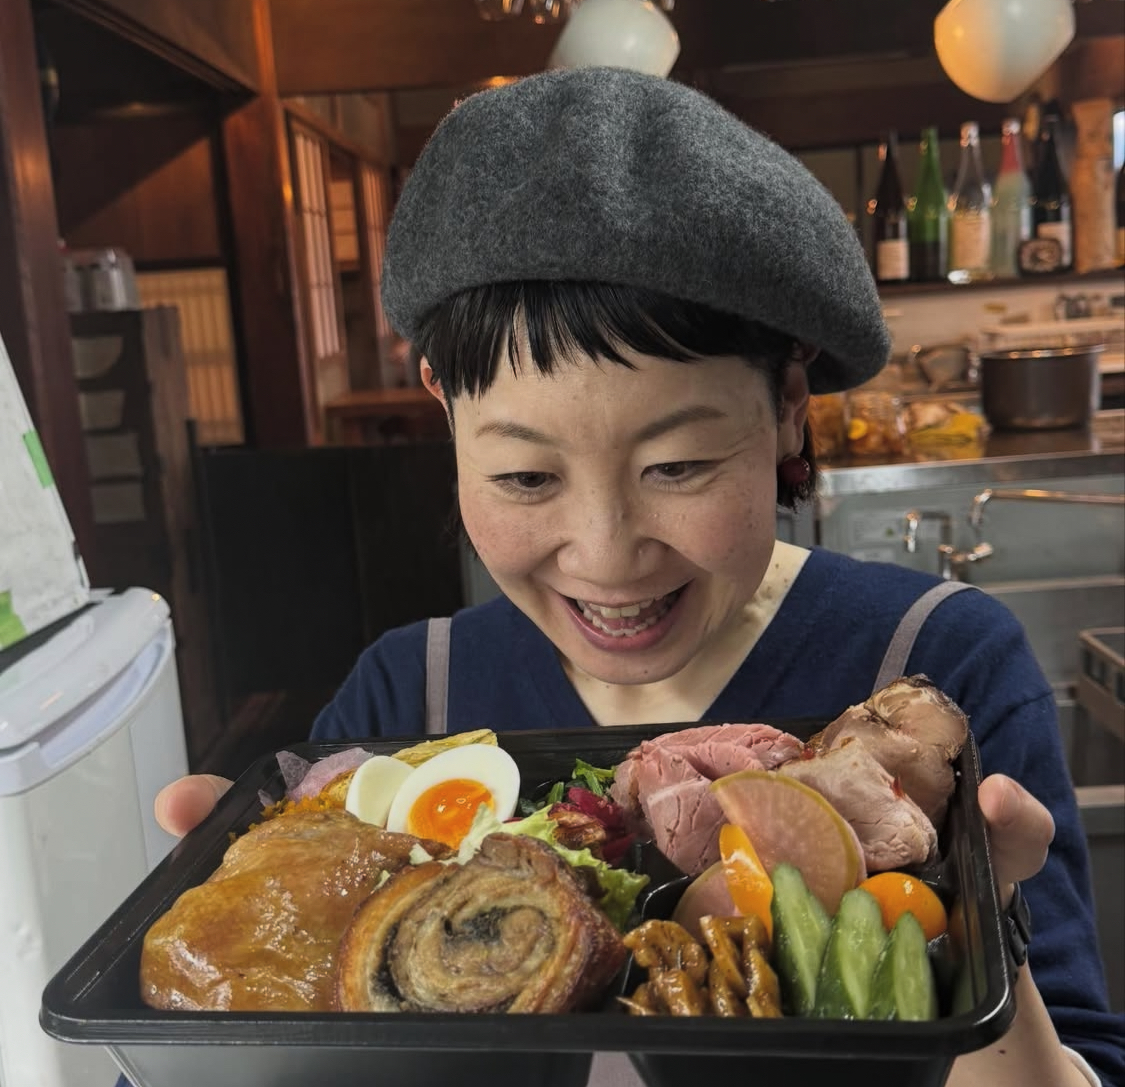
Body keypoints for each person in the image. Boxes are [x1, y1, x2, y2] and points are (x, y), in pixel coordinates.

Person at [153, 67, 1123, 1087]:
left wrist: (989, 931)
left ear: (788, 405)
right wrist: (247, 955)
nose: (607, 555)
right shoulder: (409, 694)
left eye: (679, 466)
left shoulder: (934, 664)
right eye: (526, 477)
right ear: (444, 410)